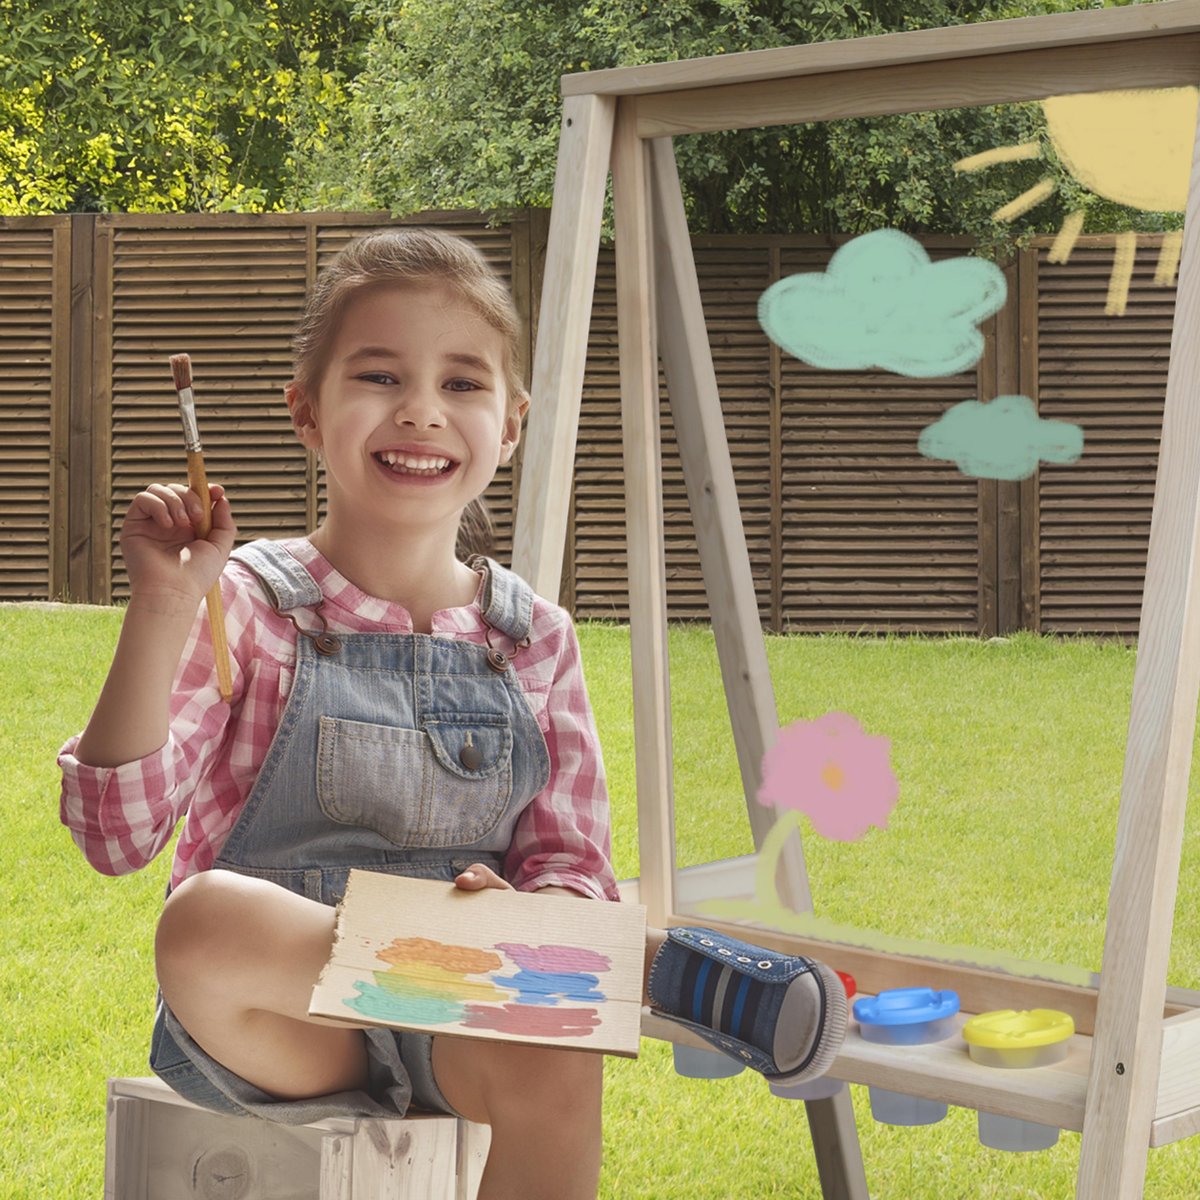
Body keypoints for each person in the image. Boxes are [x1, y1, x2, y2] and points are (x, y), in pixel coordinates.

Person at [58, 228, 846, 1200]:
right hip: (286, 1025)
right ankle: (641, 971)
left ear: (511, 425)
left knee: (559, 1054)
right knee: (202, 920)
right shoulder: (250, 604)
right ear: (307, 411)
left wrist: (525, 916)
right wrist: (167, 603)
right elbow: (115, 837)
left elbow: (568, 870)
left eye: (463, 384)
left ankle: (515, 958)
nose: (423, 410)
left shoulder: (533, 639)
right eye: (380, 376)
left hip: (461, 1021)